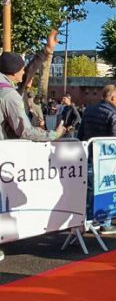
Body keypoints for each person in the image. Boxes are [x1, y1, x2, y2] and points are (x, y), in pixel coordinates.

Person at [0, 40, 67, 262]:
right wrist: (54, 135)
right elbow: (26, 131)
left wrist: (45, 52)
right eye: (21, 70)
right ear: (13, 72)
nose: (23, 74)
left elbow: (28, 72)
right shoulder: (9, 95)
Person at [77, 84, 116, 235]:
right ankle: (104, 223)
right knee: (106, 190)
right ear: (113, 97)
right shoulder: (115, 114)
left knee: (89, 190)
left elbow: (80, 134)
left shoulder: (89, 110)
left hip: (89, 155)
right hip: (106, 160)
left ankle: (90, 220)